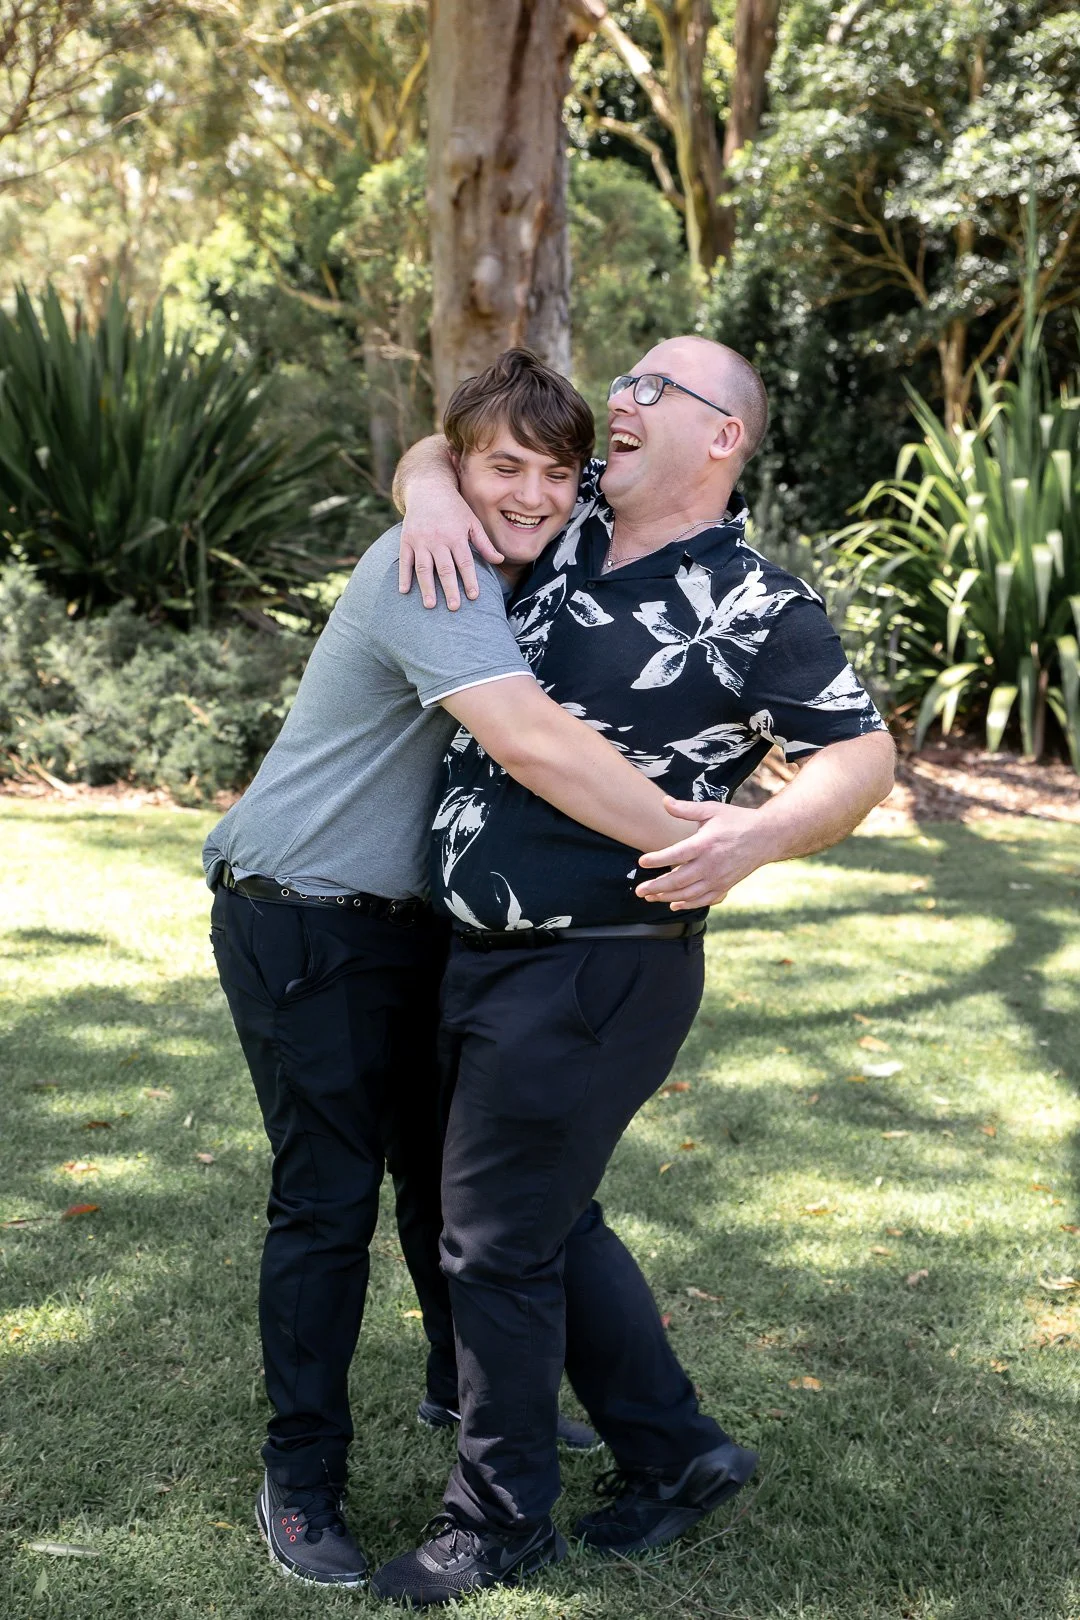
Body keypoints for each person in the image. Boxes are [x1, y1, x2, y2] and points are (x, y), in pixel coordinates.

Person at [370, 336, 896, 1605]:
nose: (624, 399)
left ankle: (500, 1522)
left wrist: (762, 835)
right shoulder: (563, 525)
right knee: (536, 1219)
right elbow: (451, 448)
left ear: (724, 437)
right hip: (478, 946)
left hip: (604, 960)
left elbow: (863, 755)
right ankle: (679, 1455)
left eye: (657, 389)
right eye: (628, 381)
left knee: (492, 1243)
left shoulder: (752, 601)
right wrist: (431, 488)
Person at [202, 351, 721, 1588]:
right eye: (502, 467)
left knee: (448, 1190)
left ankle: (463, 1396)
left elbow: (475, 456)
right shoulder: (428, 567)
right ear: (466, 463)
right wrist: (704, 839)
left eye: (555, 471)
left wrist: (435, 472)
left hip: (424, 924)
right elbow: (535, 744)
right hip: (309, 918)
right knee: (328, 1205)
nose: (533, 494)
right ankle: (301, 1475)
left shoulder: (508, 534)